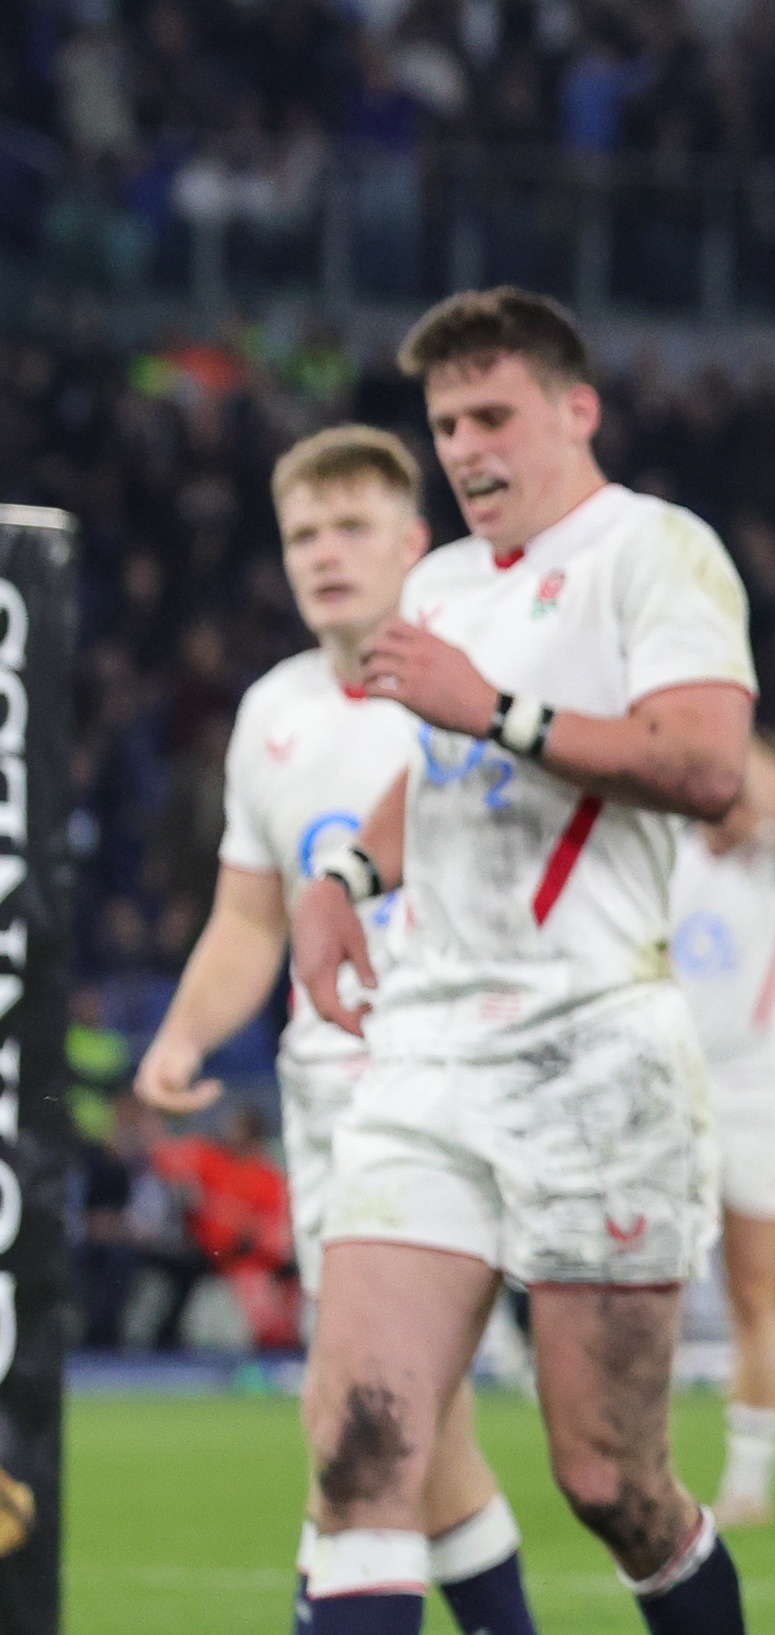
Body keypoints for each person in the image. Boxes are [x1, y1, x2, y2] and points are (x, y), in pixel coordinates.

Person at [287, 286, 756, 1635]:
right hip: (427, 1052)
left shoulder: (656, 552)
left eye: (493, 415)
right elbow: (436, 777)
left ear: (575, 410)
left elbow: (707, 760)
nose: (466, 446)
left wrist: (494, 704)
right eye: (445, 424)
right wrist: (343, 876)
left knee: (610, 1479)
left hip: (596, 1053)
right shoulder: (438, 581)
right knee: (361, 1450)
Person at [130, 423, 539, 1634]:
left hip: (455, 1090)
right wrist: (184, 1036)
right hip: (325, 1103)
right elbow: (248, 923)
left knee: (361, 1416)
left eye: (353, 527)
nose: (325, 553)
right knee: (419, 1428)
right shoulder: (272, 713)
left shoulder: (474, 680)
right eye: (303, 532)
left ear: (416, 544)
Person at [668, 740, 775, 1525]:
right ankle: (647, 1468)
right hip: (664, 1086)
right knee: (649, 1287)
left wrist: (729, 726)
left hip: (762, 1089)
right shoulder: (665, 856)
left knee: (754, 1288)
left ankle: (749, 1483)